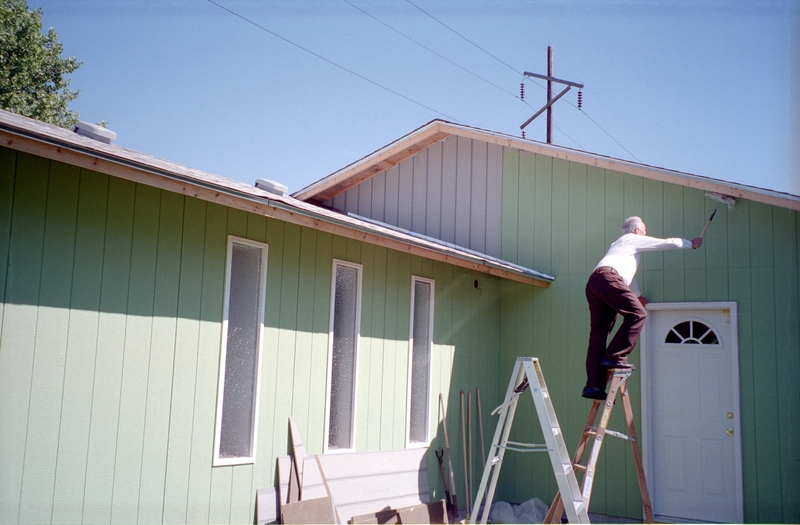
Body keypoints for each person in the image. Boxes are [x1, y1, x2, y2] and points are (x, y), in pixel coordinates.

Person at [582, 216, 703, 400]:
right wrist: (690, 244)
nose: (645, 233)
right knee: (638, 314)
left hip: (596, 282)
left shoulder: (621, 248)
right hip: (607, 279)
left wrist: (637, 296)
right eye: (644, 230)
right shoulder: (632, 239)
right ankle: (614, 356)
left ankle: (593, 386)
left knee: (599, 333)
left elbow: (626, 276)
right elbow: (665, 243)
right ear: (637, 230)